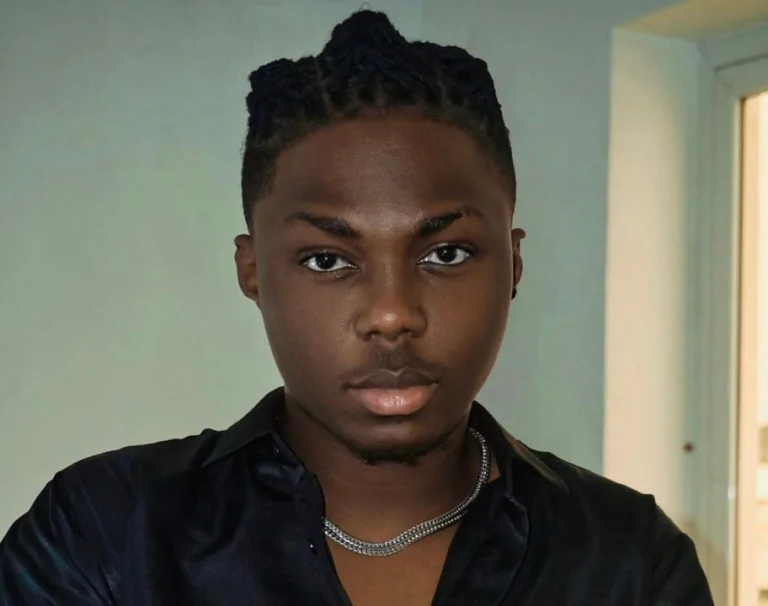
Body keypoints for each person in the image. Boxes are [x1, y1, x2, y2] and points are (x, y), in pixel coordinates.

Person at [0, 10, 713, 606]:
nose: (392, 314)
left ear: (514, 264)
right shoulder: (104, 536)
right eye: (327, 260)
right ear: (253, 271)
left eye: (446, 253)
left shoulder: (630, 562)